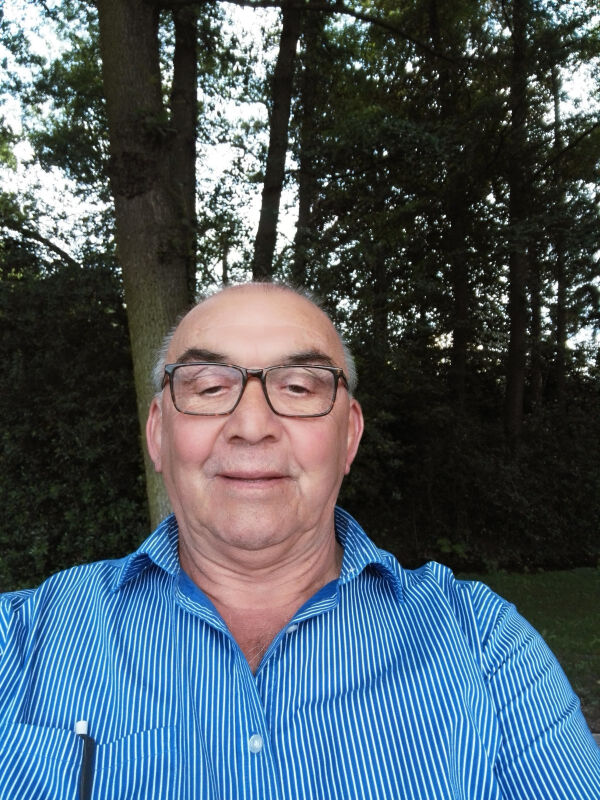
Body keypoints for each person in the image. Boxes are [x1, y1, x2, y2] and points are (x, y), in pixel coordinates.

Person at [0, 281, 598, 800]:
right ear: (158, 434)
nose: (252, 426)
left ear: (349, 437)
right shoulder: (21, 643)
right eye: (208, 387)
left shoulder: (486, 649)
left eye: (299, 388)